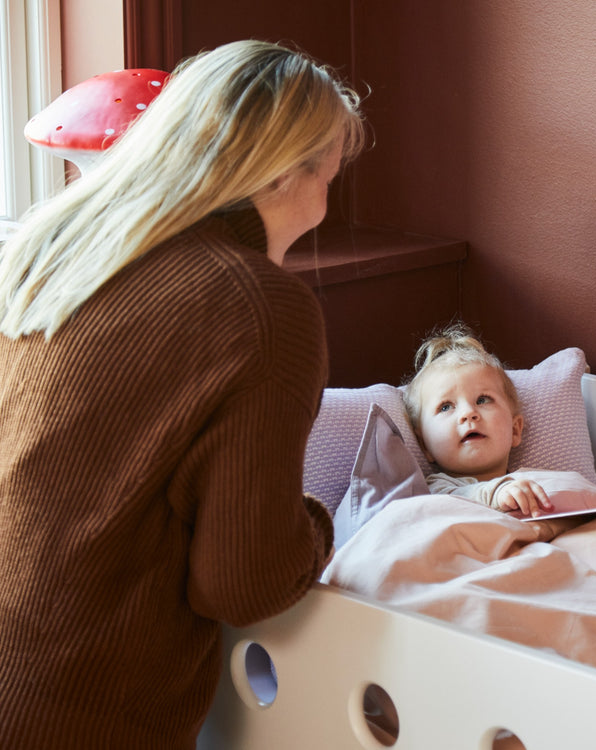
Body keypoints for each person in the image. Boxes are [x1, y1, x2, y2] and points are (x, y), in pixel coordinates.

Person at [0, 40, 365, 749]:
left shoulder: (55, 248)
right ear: (290, 173)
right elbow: (242, 584)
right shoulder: (257, 306)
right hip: (78, 710)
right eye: (331, 173)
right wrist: (321, 524)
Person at [403, 324, 596, 517]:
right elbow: (442, 511)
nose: (468, 413)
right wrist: (495, 494)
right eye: (445, 407)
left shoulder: (548, 481)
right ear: (425, 445)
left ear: (515, 430)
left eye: (483, 400)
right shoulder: (434, 489)